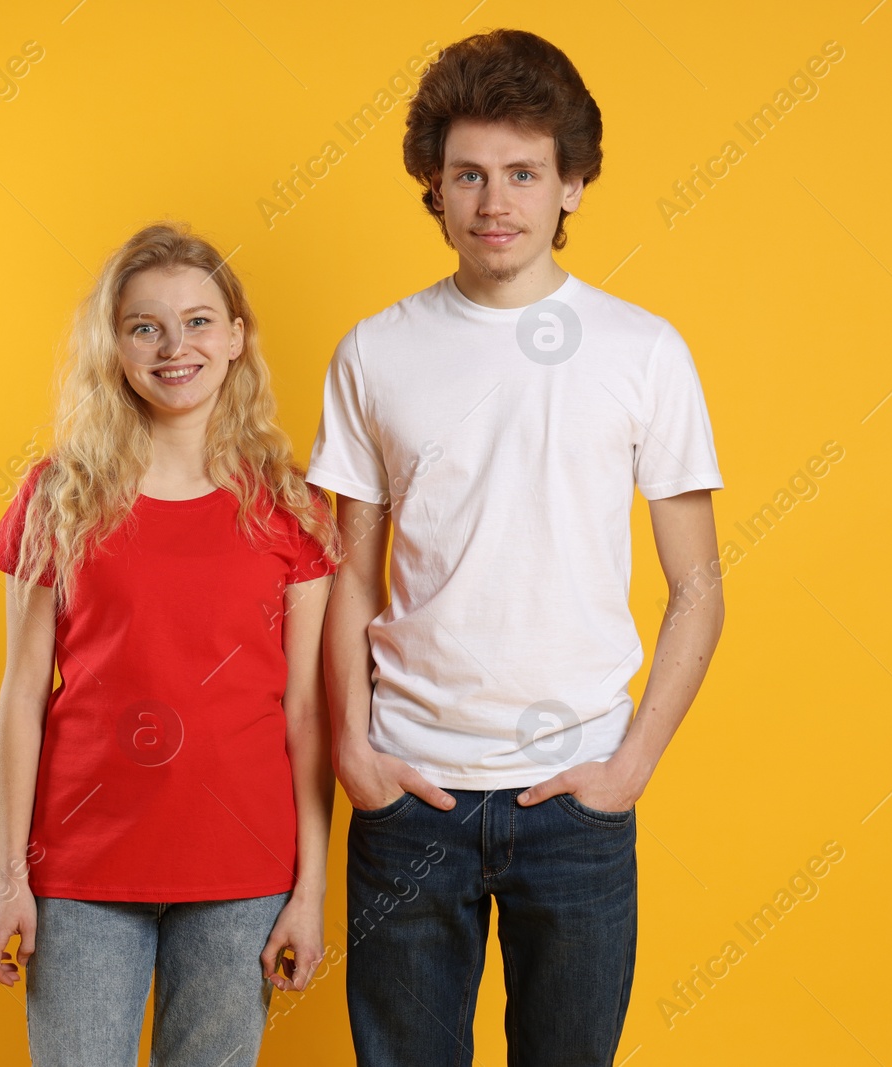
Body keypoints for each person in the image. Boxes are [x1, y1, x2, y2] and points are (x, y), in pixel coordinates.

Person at [305, 29, 727, 1067]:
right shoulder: (375, 350)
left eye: (524, 173)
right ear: (435, 189)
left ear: (572, 184)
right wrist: (355, 749)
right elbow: (343, 571)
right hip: (412, 798)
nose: (495, 200)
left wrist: (630, 765)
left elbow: (699, 584)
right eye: (469, 175)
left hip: (573, 800)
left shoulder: (643, 351)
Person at [0, 221, 340, 1067]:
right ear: (116, 347)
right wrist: (11, 879)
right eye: (146, 326)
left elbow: (306, 711)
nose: (176, 346)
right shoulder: (58, 493)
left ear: (238, 336)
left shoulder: (291, 506)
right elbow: (23, 695)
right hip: (82, 871)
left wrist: (309, 891)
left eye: (200, 320)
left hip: (242, 872)